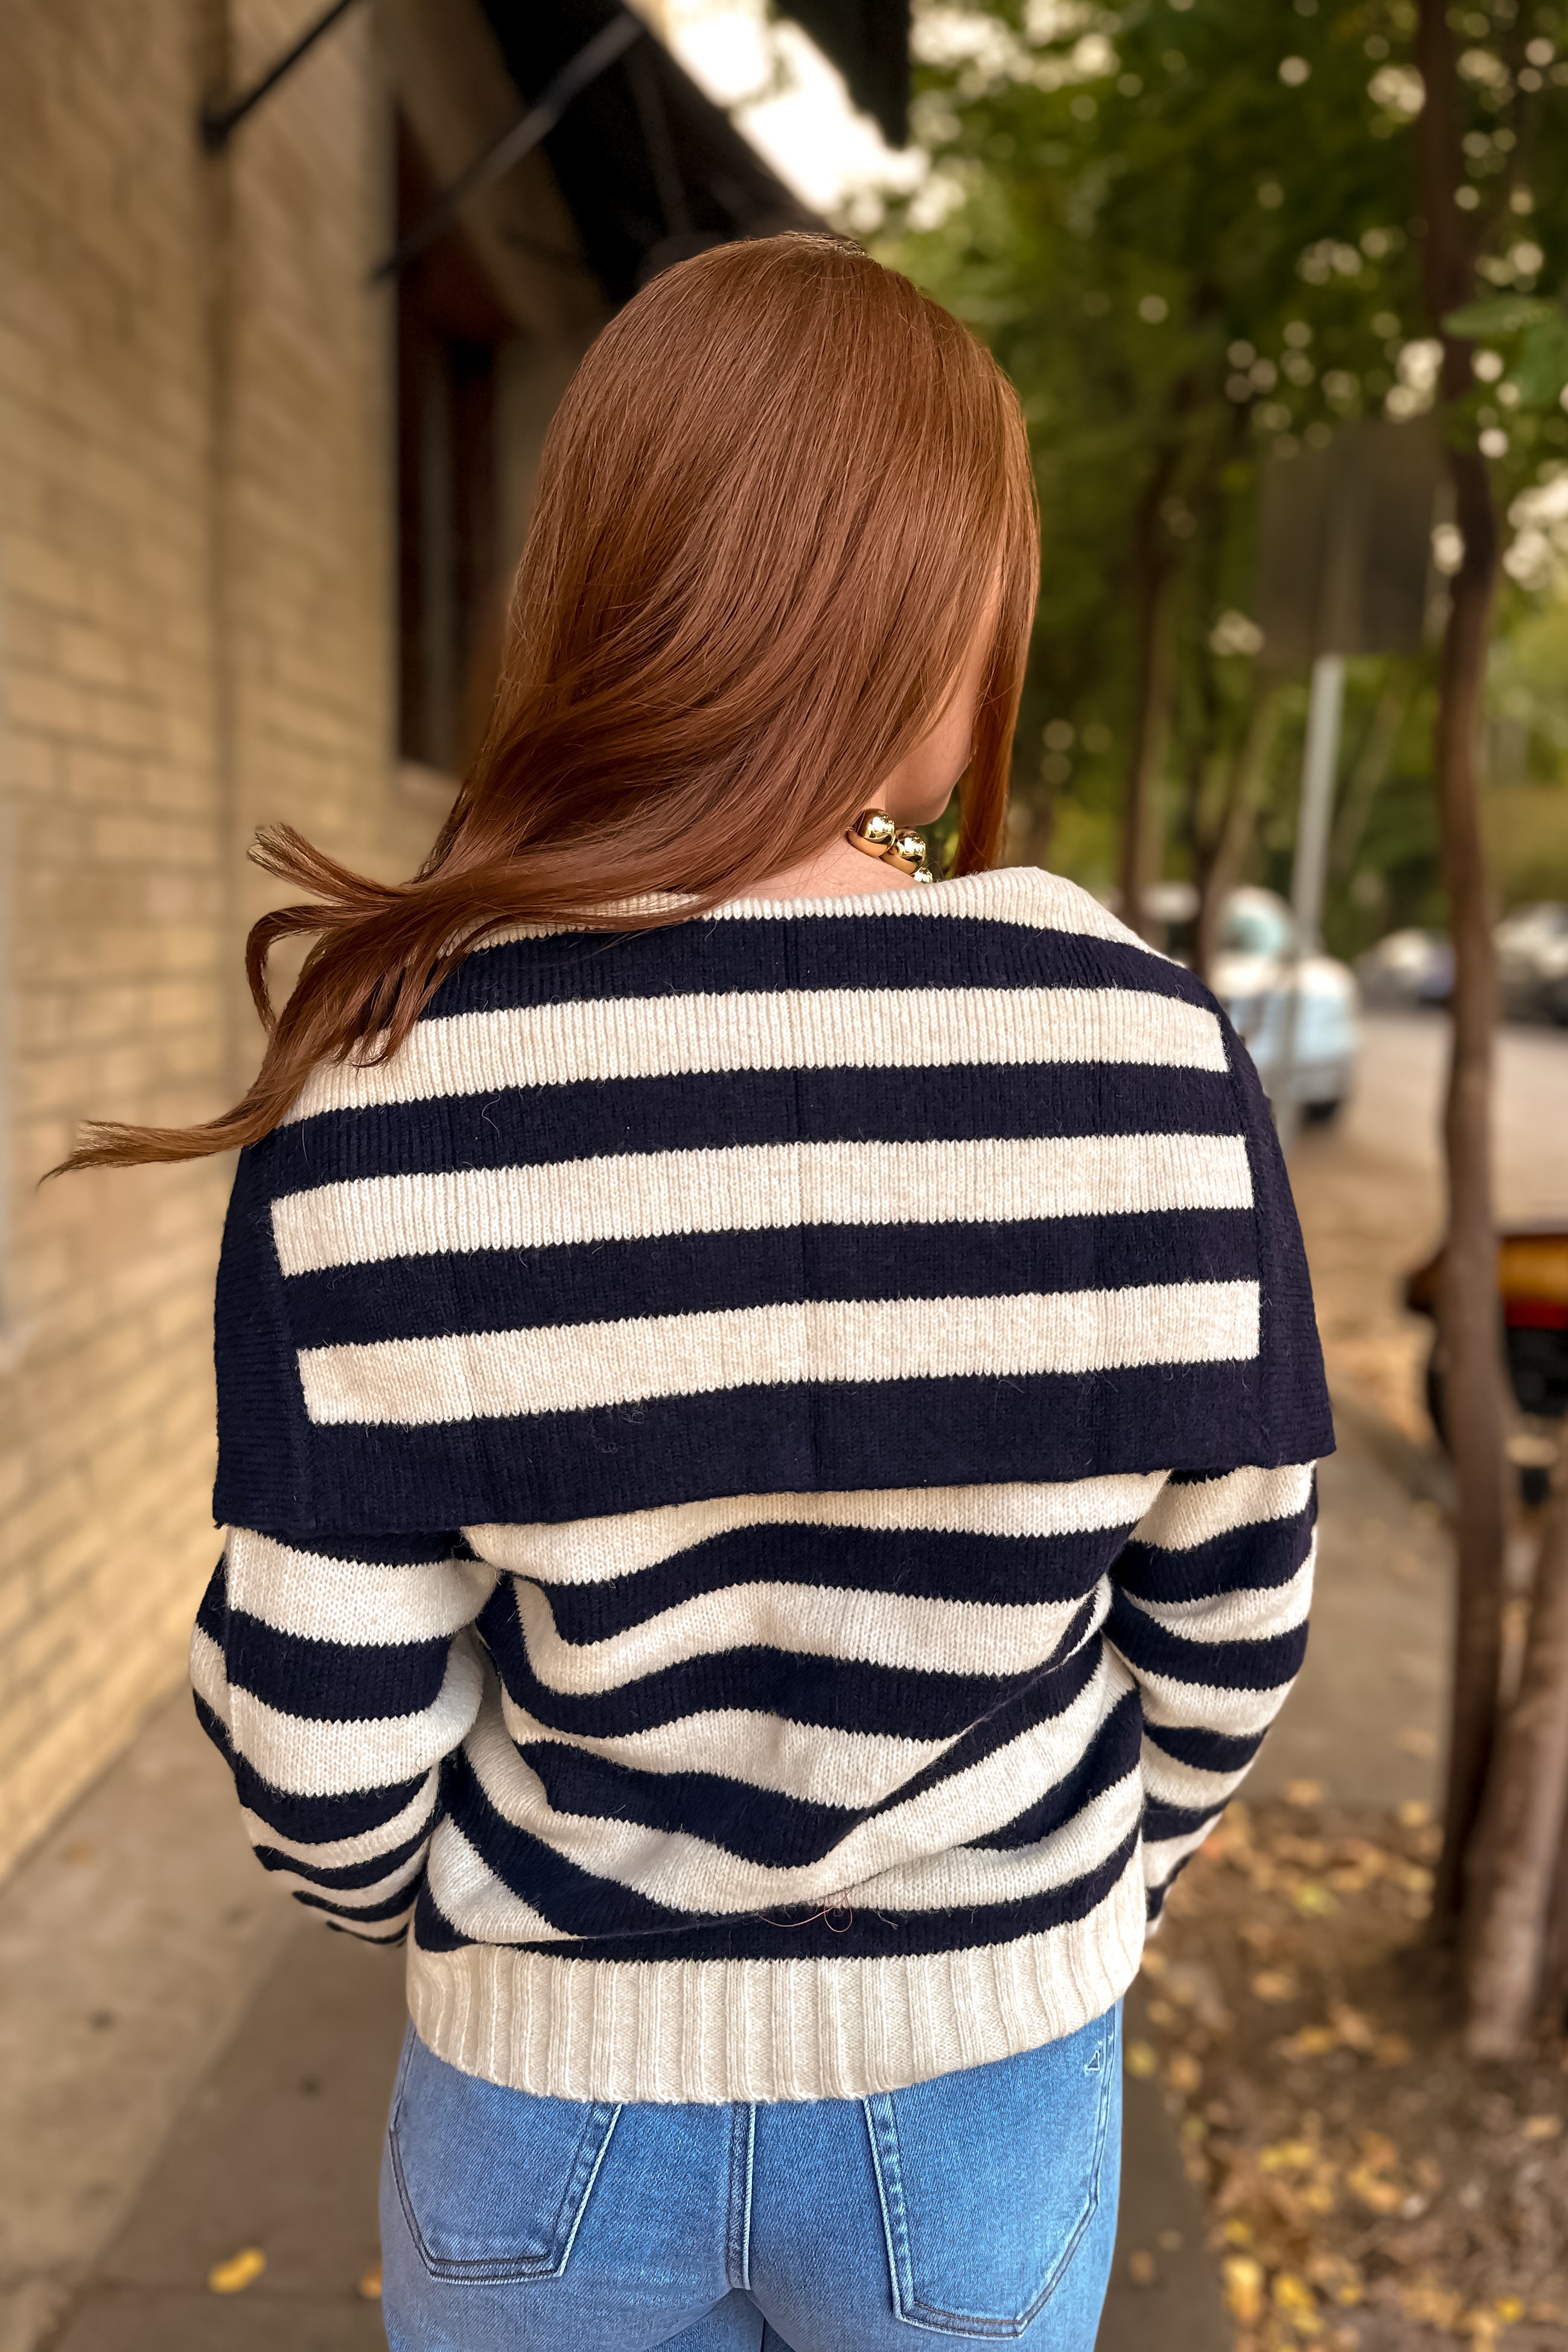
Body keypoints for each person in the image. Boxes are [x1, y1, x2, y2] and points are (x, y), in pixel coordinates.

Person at [62, 234, 1331, 2351]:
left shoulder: (387, 1078)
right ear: (946, 608)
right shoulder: (1146, 1054)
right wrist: (1069, 1889)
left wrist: (492, 1918)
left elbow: (316, 1735)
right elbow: (1235, 1634)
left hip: (541, 2103)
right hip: (987, 2083)